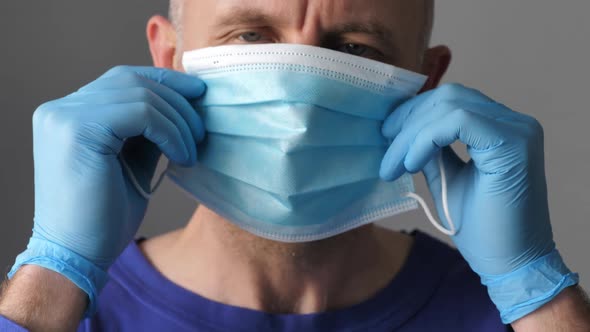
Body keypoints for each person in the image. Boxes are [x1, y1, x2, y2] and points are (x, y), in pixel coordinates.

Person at [0, 0, 589, 331]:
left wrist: (533, 288)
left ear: (425, 83)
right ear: (168, 57)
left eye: (356, 49)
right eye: (252, 36)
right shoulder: (67, 315)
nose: (301, 97)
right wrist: (56, 270)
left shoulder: (504, 317)